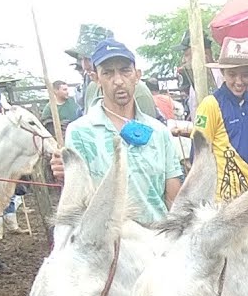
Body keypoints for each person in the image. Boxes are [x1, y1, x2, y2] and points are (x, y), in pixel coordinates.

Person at [63, 39, 183, 223]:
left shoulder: (159, 132)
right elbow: (78, 201)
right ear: (96, 79)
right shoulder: (79, 133)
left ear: (137, 75)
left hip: (156, 242)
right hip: (111, 246)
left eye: (125, 70)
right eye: (108, 73)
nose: (118, 81)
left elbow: (172, 195)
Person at [193, 37, 248, 202]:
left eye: (245, 75)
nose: (239, 81)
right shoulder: (210, 105)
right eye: (232, 74)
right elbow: (198, 155)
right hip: (224, 200)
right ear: (222, 73)